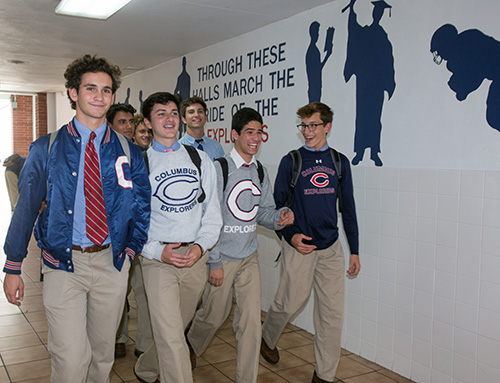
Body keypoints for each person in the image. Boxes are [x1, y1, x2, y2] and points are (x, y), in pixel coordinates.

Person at [2, 54, 151, 383]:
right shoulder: (47, 147)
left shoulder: (129, 151)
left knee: (101, 359)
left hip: (111, 264)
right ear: (73, 93)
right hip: (62, 264)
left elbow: (142, 207)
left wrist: (128, 252)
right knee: (70, 361)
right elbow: (25, 208)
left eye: (107, 90)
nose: (100, 96)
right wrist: (13, 265)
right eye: (91, 88)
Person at [187, 108, 294, 383]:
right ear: (235, 135)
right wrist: (214, 261)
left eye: (259, 132)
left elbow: (264, 212)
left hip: (249, 258)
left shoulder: (259, 171)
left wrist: (279, 218)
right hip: (222, 259)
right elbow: (208, 218)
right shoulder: (219, 168)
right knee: (213, 316)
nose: (255, 138)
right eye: (249, 132)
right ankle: (188, 346)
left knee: (250, 326)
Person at [261, 102, 360, 383]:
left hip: (330, 249)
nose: (307, 131)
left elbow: (348, 209)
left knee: (331, 315)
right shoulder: (291, 161)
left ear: (327, 127)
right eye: (303, 126)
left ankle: (324, 375)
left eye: (313, 125)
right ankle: (267, 337)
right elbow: (276, 207)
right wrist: (290, 236)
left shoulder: (339, 162)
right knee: (289, 303)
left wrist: (355, 250)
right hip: (299, 247)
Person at [134, 92, 222, 383]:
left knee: (172, 328)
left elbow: (212, 214)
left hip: (194, 258)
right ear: (147, 122)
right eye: (161, 114)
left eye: (173, 112)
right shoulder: (141, 164)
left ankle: (146, 369)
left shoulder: (200, 159)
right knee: (173, 340)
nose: (169, 119)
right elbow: (132, 222)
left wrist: (200, 247)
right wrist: (157, 252)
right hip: (159, 262)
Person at [111, 110, 153, 359]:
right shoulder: (106, 156)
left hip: (143, 238)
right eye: (122, 122)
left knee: (145, 293)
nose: (127, 127)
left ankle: (144, 344)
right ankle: (117, 337)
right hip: (117, 240)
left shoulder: (144, 157)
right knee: (118, 294)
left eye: (131, 123)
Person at [343, 0, 395, 166]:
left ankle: (374, 151)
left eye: (379, 13)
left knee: (375, 118)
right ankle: (359, 151)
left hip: (377, 84)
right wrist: (351, 11)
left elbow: (388, 60)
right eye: (376, 12)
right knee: (362, 117)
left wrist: (388, 83)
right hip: (364, 83)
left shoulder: (382, 36)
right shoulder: (365, 33)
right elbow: (353, 30)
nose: (377, 15)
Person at [179, 96, 225, 160]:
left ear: (205, 118)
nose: (196, 115)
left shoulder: (216, 147)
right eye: (191, 112)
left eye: (200, 111)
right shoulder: (178, 148)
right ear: (184, 119)